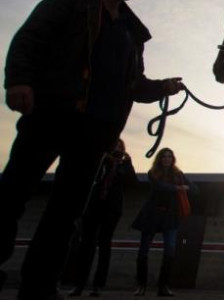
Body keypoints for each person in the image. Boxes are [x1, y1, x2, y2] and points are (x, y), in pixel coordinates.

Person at [0, 0, 184, 298]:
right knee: (11, 195)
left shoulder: (130, 28)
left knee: (65, 213)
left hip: (96, 132)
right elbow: (30, 38)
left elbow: (134, 84)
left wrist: (163, 87)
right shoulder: (69, 5)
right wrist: (19, 80)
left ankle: (39, 287)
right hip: (50, 113)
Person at [68, 139, 137, 297]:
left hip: (112, 208)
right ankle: (79, 285)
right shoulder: (100, 162)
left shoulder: (124, 165)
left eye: (120, 147)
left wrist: (127, 163)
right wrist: (103, 161)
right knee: (86, 245)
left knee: (104, 244)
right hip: (93, 206)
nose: (117, 150)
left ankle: (98, 285)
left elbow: (133, 183)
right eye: (114, 146)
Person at [131, 148, 198, 297]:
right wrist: (178, 188)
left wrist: (185, 187)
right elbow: (160, 187)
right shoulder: (153, 173)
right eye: (164, 156)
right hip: (152, 214)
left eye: (169, 156)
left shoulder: (178, 174)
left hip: (170, 216)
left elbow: (194, 189)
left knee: (170, 250)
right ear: (159, 159)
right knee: (143, 251)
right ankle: (141, 285)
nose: (167, 159)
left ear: (172, 158)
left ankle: (163, 286)